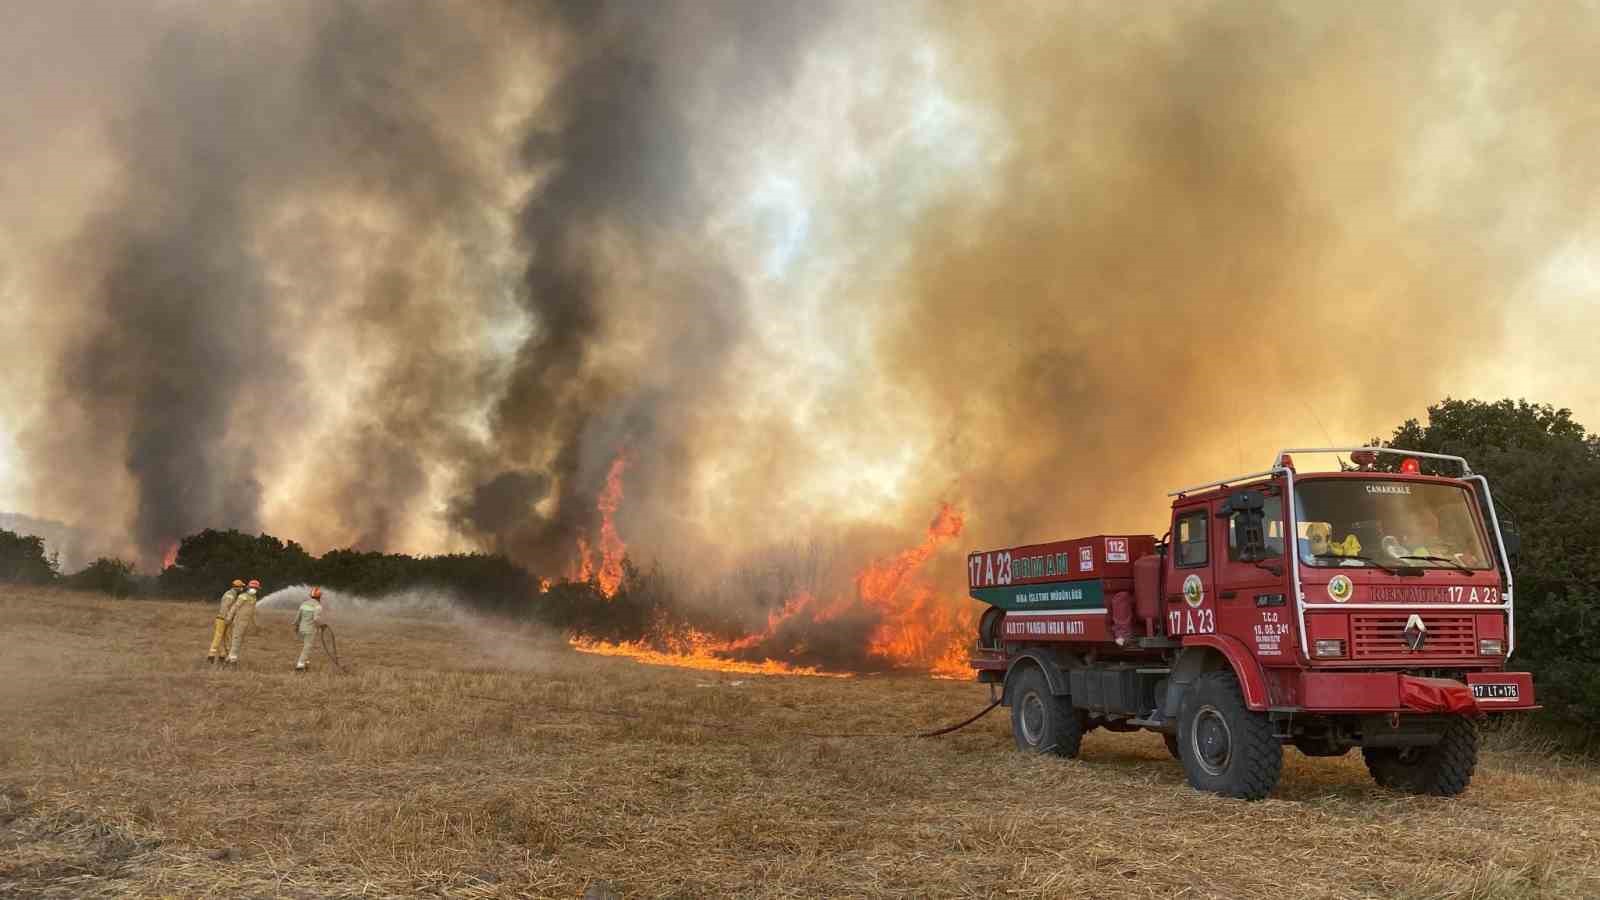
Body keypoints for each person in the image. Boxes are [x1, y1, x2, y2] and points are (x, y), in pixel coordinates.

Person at [225, 579, 262, 666]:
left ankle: (229, 658)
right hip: (239, 621)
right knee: (236, 639)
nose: (254, 589)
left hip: (246, 623)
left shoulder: (254, 598)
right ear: (249, 587)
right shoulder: (243, 596)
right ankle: (233, 659)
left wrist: (255, 624)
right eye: (253, 587)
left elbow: (252, 612)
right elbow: (234, 607)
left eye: (256, 588)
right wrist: (229, 618)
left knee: (240, 640)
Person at [207, 579, 245, 664]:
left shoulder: (233, 594)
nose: (242, 588)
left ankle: (223, 656)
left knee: (226, 639)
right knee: (218, 638)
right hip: (222, 619)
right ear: (237, 587)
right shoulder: (230, 595)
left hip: (226, 619)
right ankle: (211, 656)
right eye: (241, 587)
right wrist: (227, 618)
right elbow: (225, 607)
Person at [293, 587, 327, 672]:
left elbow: (298, 617)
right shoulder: (318, 606)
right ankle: (300, 665)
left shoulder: (304, 604)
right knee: (307, 647)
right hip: (310, 630)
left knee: (306, 645)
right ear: (319, 597)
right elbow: (316, 619)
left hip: (301, 629)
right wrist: (322, 625)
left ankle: (305, 662)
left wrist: (296, 627)